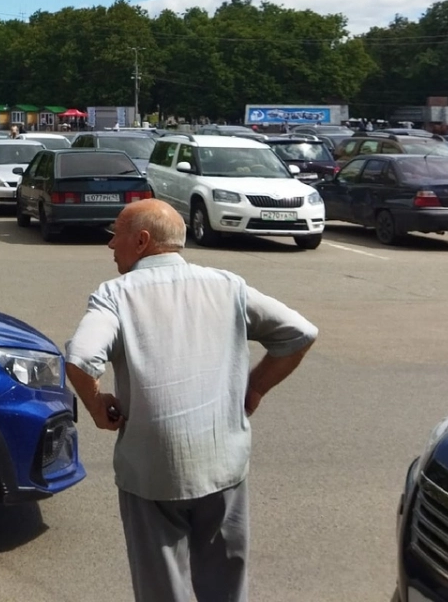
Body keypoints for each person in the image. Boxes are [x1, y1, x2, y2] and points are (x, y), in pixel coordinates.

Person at [64, 199, 317, 602]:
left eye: (117, 235)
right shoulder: (227, 285)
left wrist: (97, 407)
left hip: (152, 471)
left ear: (142, 241)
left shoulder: (115, 295)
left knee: (162, 589)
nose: (111, 245)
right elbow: (299, 332)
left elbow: (79, 359)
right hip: (223, 463)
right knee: (226, 586)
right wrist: (254, 388)